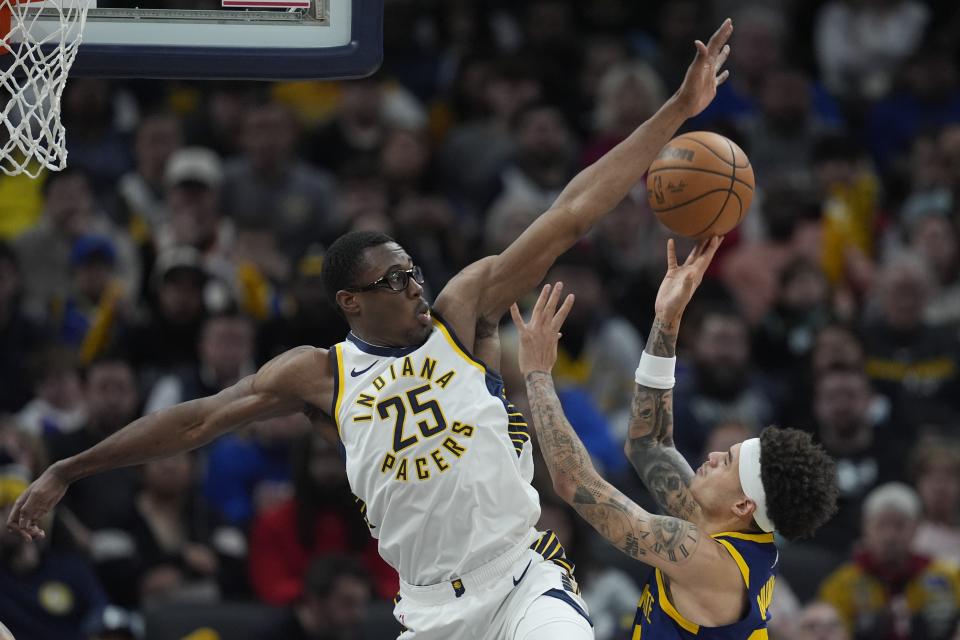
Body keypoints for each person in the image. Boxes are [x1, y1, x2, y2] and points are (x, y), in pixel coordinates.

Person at [8, 20, 735, 639]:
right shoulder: (318, 374)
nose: (413, 285)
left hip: (522, 582)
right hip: (426, 609)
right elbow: (195, 421)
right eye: (392, 280)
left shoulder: (461, 312)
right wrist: (70, 469)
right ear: (350, 302)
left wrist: (676, 109)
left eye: (412, 271)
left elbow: (569, 215)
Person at [510, 237, 839, 638]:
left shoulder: (707, 560)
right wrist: (668, 317)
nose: (715, 455)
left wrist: (538, 375)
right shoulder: (728, 528)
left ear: (742, 503)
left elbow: (575, 483)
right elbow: (649, 444)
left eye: (729, 462)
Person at [818, 482, 960, 640]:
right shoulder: (841, 584)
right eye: (881, 525)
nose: (889, 536)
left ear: (917, 528)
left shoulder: (947, 577)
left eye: (899, 525)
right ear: (865, 528)